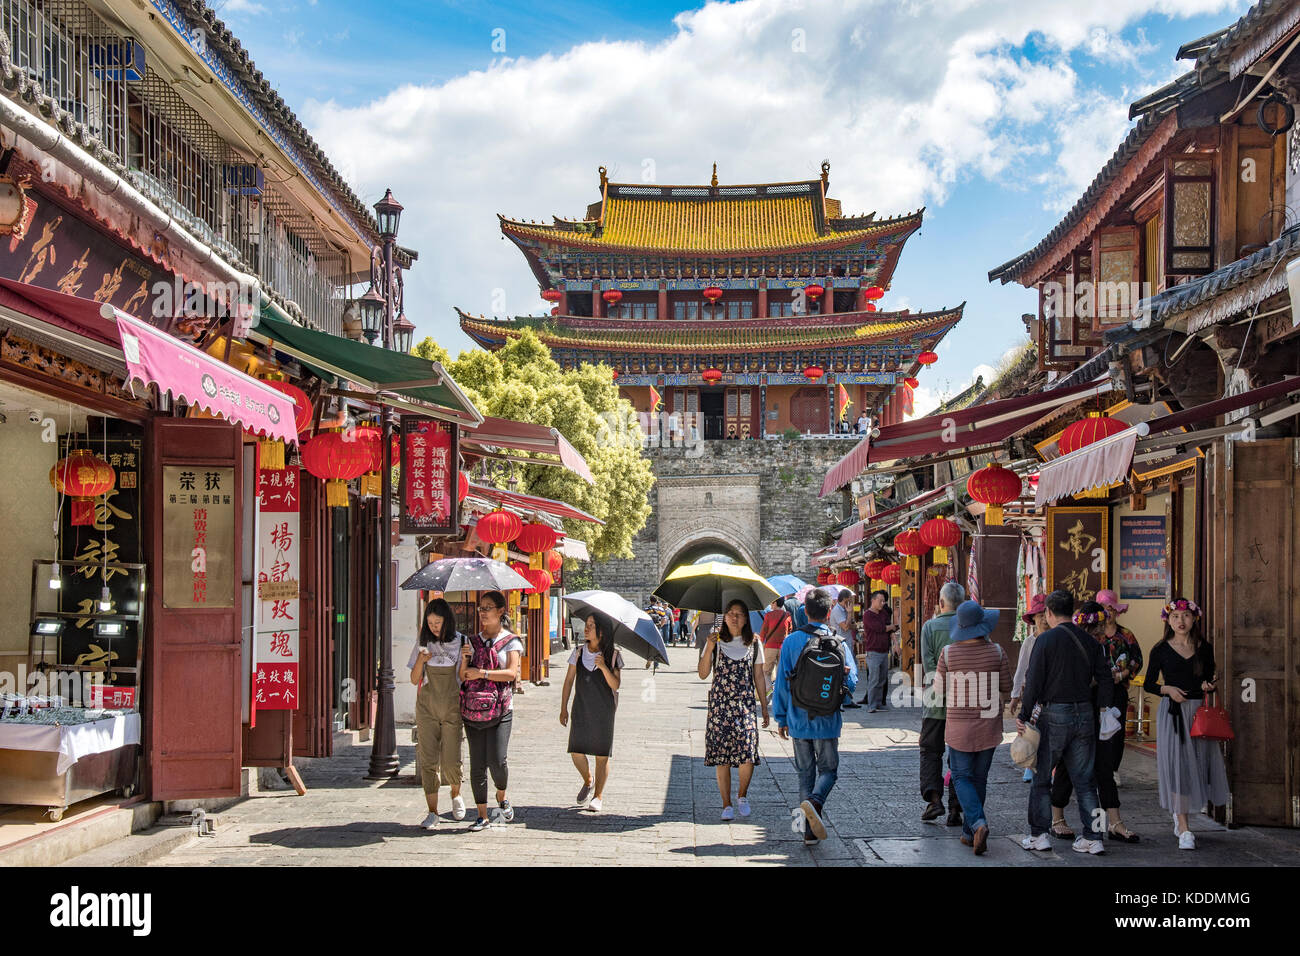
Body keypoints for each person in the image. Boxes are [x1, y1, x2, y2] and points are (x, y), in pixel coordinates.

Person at [1016, 589, 1113, 855]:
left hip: (1054, 714)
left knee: (1042, 777)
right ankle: (1095, 836)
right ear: (1073, 611)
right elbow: (1106, 678)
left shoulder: (1045, 641)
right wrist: (1104, 708)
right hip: (1085, 714)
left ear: (1048, 612)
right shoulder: (1092, 642)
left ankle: (1039, 834)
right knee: (1086, 780)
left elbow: (1033, 682)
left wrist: (1023, 715)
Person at [1048, 598, 1143, 843]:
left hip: (1101, 711)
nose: (1103, 630)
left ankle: (1115, 822)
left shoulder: (1110, 643)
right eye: (1099, 626)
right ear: (1088, 626)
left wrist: (1105, 701)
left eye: (1103, 625)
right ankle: (1057, 818)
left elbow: (1114, 675)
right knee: (1068, 766)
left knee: (1105, 765)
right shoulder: (1072, 643)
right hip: (1077, 711)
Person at [772, 587, 858, 846]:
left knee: (804, 774)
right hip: (828, 721)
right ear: (829, 611)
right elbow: (851, 683)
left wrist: (781, 717)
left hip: (798, 720)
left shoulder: (791, 641)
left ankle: (808, 829)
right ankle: (816, 802)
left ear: (805, 611)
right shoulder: (838, 642)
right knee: (829, 771)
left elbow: (782, 685)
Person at [1142, 598, 1228, 850]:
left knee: (1198, 765)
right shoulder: (1160, 649)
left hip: (1198, 714)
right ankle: (1183, 826)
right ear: (1168, 620)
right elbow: (1149, 684)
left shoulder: (1204, 648)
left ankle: (1182, 819)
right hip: (1174, 714)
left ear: (1194, 619)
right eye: (1176, 616)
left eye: (1186, 616)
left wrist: (1208, 685)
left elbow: (1209, 678)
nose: (1181, 621)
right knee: (1177, 767)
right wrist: (1167, 689)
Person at [935, 600, 1010, 856]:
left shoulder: (948, 653)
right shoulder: (997, 652)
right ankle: (969, 832)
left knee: (961, 776)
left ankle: (976, 825)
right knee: (979, 778)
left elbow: (938, 689)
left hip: (958, 727)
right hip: (989, 725)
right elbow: (1007, 688)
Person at [458, 590, 523, 832]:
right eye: (480, 608)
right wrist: (466, 661)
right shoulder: (472, 642)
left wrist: (482, 673)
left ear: (500, 612)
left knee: (497, 760)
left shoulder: (511, 641)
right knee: (477, 763)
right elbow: (462, 676)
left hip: (501, 708)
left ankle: (502, 795)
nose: (482, 613)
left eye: (487, 608)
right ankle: (482, 815)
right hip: (473, 708)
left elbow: (511, 673)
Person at [698, 600, 768, 819]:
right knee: (723, 757)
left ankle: (742, 795)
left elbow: (758, 676)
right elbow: (702, 673)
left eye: (738, 614)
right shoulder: (716, 643)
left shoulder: (755, 643)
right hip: (720, 707)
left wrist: (764, 707)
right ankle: (726, 804)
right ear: (724, 617)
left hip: (745, 705)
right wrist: (708, 648)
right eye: (730, 614)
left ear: (746, 618)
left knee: (748, 752)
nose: (734, 618)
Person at [408, 598, 467, 829]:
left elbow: (462, 678)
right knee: (429, 761)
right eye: (430, 622)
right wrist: (421, 661)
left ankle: (455, 794)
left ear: (447, 621)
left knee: (452, 759)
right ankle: (432, 812)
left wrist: (468, 657)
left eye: (438, 622)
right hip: (427, 708)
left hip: (452, 706)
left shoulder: (461, 641)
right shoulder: (423, 643)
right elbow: (414, 680)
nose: (433, 627)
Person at [560, 612, 623, 813]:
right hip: (581, 707)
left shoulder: (613, 655)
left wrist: (604, 666)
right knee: (576, 751)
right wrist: (563, 707)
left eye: (591, 625)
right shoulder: (578, 652)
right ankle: (588, 779)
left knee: (601, 755)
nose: (586, 628)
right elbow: (569, 680)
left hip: (604, 710)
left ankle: (598, 796)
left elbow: (616, 684)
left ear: (601, 631)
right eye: (586, 624)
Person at [919, 581, 964, 826]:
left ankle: (934, 800)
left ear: (941, 602)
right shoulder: (971, 627)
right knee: (960, 753)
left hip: (935, 701)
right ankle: (956, 808)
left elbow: (928, 667)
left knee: (930, 751)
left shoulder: (930, 627)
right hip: (966, 703)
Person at [1010, 593, 1049, 783]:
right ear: (1033, 618)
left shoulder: (1055, 638)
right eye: (1038, 614)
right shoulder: (1029, 642)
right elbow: (1021, 669)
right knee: (1029, 729)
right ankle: (1029, 763)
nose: (1042, 618)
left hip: (1050, 694)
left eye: (1045, 613)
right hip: (1032, 693)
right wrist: (1015, 695)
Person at [860, 589, 898, 711]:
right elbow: (880, 628)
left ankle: (878, 703)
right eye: (880, 601)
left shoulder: (883, 614)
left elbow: (891, 629)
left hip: (884, 650)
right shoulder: (867, 615)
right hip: (873, 651)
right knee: (874, 679)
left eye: (884, 601)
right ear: (873, 600)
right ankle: (871, 705)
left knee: (882, 679)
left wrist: (896, 644)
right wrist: (890, 627)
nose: (883, 603)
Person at [829, 590, 862, 710]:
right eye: (850, 600)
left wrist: (850, 617)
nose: (851, 603)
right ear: (845, 600)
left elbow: (853, 626)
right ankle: (842, 700)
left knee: (849, 673)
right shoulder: (838, 611)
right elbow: (846, 626)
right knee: (846, 672)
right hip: (840, 645)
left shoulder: (843, 610)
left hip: (847, 643)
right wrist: (849, 614)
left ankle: (847, 699)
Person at [758, 597, 792, 694]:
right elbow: (790, 631)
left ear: (775, 603)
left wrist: (760, 645)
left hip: (770, 647)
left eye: (772, 603)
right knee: (781, 671)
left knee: (766, 671)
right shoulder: (787, 615)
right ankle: (780, 691)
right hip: (783, 647)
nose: (771, 605)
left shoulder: (768, 615)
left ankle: (767, 691)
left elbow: (763, 632)